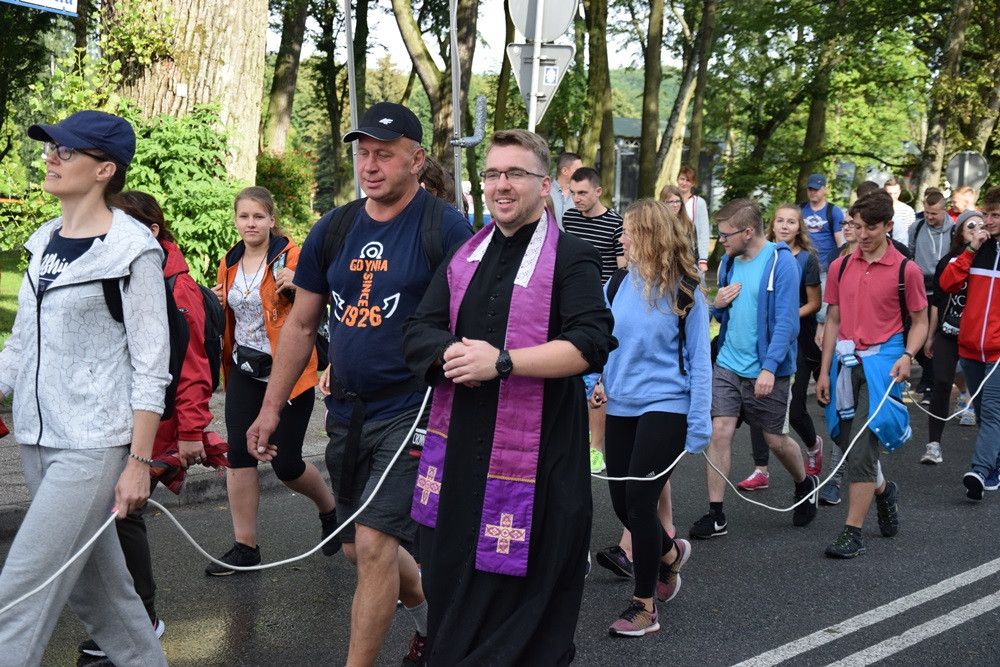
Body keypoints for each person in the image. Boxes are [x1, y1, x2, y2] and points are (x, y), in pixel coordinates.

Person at [246, 102, 472, 665]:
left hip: (414, 408)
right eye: (363, 153)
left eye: (385, 154)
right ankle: (431, 618)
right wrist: (270, 408)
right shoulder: (336, 226)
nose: (370, 165)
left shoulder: (444, 226)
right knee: (355, 547)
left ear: (417, 161)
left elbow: (471, 320)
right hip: (348, 409)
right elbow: (301, 323)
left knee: (373, 544)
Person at [402, 128, 616, 664]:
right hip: (461, 455)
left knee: (530, 599)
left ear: (545, 186)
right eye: (493, 173)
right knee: (455, 583)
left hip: (542, 457)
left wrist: (501, 362)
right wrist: (452, 353)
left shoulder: (572, 256)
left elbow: (591, 344)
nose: (501, 184)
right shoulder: (463, 256)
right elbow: (419, 329)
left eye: (515, 174)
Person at [0, 110, 169, 666]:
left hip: (93, 447)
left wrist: (138, 462)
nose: (50, 156)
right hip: (37, 438)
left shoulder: (132, 250)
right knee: (102, 596)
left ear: (104, 169)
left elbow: (152, 366)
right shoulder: (42, 241)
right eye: (51, 147)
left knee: (18, 591)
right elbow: (21, 346)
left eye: (65, 151)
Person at [75, 190, 222, 658]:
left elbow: (193, 366)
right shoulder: (134, 272)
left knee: (123, 514)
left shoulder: (177, 286)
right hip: (124, 417)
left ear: (152, 232)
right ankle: (132, 617)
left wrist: (190, 432)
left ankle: (141, 618)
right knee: (114, 515)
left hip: (160, 425)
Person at [588, 198, 711, 636]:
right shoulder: (617, 282)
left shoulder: (687, 289)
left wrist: (699, 426)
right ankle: (672, 556)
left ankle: (644, 607)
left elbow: (699, 362)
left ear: (649, 235)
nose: (619, 237)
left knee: (640, 503)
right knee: (623, 504)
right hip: (621, 403)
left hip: (667, 405)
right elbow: (601, 339)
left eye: (627, 230)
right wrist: (593, 382)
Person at [206, 186, 337, 575]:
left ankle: (329, 510)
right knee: (239, 456)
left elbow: (325, 296)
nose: (251, 223)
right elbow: (233, 312)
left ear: (271, 220)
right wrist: (215, 300)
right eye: (244, 216)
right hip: (244, 370)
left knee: (287, 464)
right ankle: (245, 547)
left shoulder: (292, 256)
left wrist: (298, 283)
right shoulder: (228, 262)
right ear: (235, 220)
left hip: (289, 372)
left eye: (258, 217)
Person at [691, 198, 818, 539]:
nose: (722, 241)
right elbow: (723, 311)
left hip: (767, 369)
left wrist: (769, 368)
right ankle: (716, 514)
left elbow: (788, 324)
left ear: (748, 232)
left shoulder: (782, 263)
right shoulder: (729, 262)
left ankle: (805, 483)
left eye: (726, 234)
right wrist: (715, 306)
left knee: (775, 440)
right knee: (719, 432)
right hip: (728, 363)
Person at [817, 191, 928, 557]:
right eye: (856, 226)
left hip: (884, 364)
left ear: (889, 227)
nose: (861, 235)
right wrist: (823, 372)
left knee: (864, 446)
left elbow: (920, 322)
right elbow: (833, 319)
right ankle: (884, 492)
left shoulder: (905, 270)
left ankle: (853, 532)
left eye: (870, 228)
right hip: (845, 365)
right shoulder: (841, 266)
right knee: (850, 447)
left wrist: (908, 356)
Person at [739, 205, 823, 491]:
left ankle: (812, 444)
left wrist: (784, 318)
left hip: (798, 339)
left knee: (796, 406)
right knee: (755, 404)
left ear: (800, 227)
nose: (785, 226)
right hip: (765, 340)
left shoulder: (806, 260)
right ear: (771, 225)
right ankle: (760, 469)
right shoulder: (762, 257)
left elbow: (814, 303)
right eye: (780, 221)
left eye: (791, 222)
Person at [562, 166, 625, 474]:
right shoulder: (569, 218)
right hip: (570, 301)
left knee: (595, 376)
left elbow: (622, 270)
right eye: (573, 193)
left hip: (603, 304)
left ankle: (596, 447)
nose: (577, 199)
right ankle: (575, 438)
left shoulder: (615, 224)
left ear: (598, 192)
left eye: (583, 193)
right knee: (572, 368)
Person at [940, 185, 1000, 501]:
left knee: (991, 412)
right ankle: (994, 464)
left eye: (994, 216)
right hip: (970, 346)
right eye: (985, 214)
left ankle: (978, 469)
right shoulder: (977, 248)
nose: (986, 221)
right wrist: (971, 249)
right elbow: (948, 282)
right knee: (981, 410)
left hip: (997, 351)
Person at [921, 210, 983, 464]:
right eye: (971, 226)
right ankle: (933, 445)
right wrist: (930, 336)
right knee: (942, 383)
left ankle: (987, 452)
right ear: (959, 232)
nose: (977, 229)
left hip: (976, 335)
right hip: (947, 332)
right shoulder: (948, 260)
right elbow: (937, 302)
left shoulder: (988, 261)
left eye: (982, 225)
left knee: (984, 394)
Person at [908, 190, 954, 399]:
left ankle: (929, 382)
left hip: (943, 288)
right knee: (914, 331)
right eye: (927, 212)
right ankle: (928, 378)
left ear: (944, 210)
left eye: (934, 213)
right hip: (919, 287)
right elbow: (910, 252)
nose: (929, 217)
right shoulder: (916, 227)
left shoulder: (953, 230)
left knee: (934, 337)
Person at [801, 173, 845, 271]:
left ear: (824, 189)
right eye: (810, 189)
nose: (813, 192)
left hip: (825, 267)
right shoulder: (800, 210)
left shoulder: (834, 211)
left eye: (816, 189)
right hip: (802, 265)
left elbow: (840, 243)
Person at [676, 166, 710, 273]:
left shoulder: (698, 203)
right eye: (682, 179)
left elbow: (703, 231)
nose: (684, 183)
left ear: (693, 183)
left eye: (688, 180)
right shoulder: (671, 201)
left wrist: (703, 260)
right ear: (677, 180)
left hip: (691, 253)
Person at [550, 151, 583, 227]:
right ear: (565, 171)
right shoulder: (545, 192)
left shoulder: (582, 196)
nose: (582, 173)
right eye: (578, 170)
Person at [886, 178, 916, 244]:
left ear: (899, 192)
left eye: (895, 193)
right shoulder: (879, 209)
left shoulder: (907, 210)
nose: (892, 196)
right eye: (889, 193)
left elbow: (911, 232)